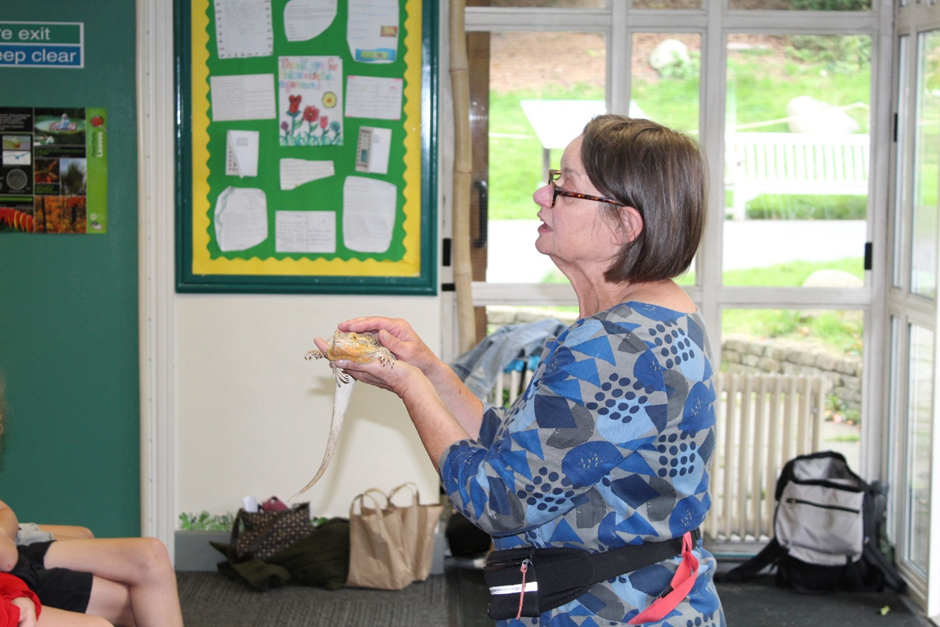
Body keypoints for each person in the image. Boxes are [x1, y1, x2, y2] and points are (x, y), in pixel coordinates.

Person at [316, 115, 725, 626]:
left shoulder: (618, 342)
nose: (541, 195)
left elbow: (498, 499)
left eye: (565, 188)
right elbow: (522, 451)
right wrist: (430, 369)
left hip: (612, 610)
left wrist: (409, 386)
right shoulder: (655, 317)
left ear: (624, 224)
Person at [0, 383, 182, 627]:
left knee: (150, 553)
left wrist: (4, 529)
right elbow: (8, 559)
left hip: (17, 551)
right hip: (12, 571)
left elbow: (6, 513)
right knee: (127, 602)